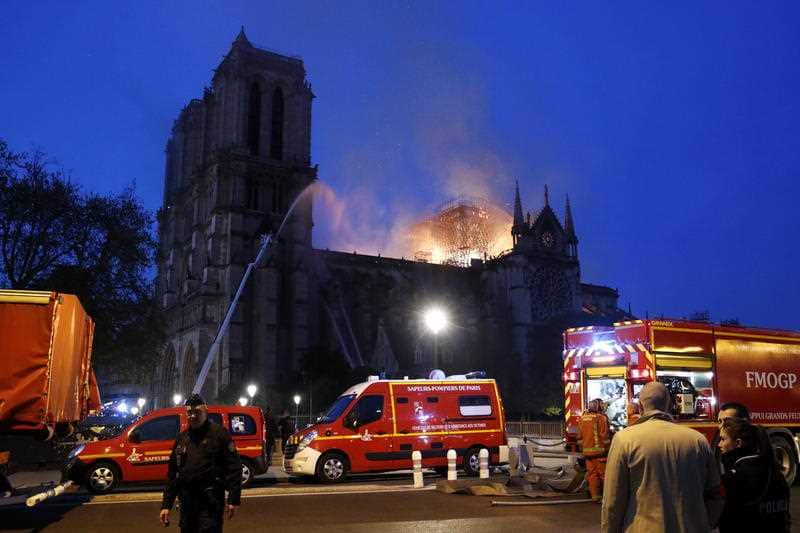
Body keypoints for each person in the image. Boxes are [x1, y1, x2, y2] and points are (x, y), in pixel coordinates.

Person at [601, 381, 724, 533]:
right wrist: (703, 524)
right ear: (670, 404)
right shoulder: (698, 440)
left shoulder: (624, 440)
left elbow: (612, 501)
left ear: (640, 405)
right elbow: (716, 494)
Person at [159, 394, 242, 531]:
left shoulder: (219, 434)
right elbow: (173, 474)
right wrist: (166, 505)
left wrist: (233, 499)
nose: (192, 416)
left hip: (210, 502)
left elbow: (234, 467)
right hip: (187, 503)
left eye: (197, 412)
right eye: (189, 413)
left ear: (206, 412)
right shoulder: (182, 438)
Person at [717, 417, 790, 532]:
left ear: (738, 443)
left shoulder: (733, 479)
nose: (719, 445)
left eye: (723, 439)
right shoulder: (776, 474)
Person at [577, 398, 611, 502]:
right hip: (600, 452)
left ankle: (595, 496)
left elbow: (579, 436)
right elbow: (604, 436)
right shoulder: (601, 418)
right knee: (604, 475)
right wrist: (608, 449)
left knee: (592, 474)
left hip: (587, 453)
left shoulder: (582, 418)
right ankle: (608, 497)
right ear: (597, 407)